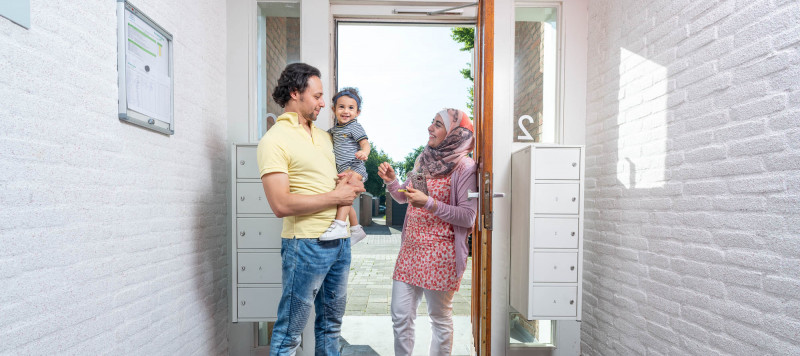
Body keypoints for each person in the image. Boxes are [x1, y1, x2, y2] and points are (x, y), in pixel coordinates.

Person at [257, 62, 365, 355]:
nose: (323, 103)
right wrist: (338, 196)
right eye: (317, 96)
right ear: (295, 93)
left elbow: (349, 171)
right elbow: (280, 205)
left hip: (340, 243)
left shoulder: (326, 136)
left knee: (331, 326)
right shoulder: (274, 140)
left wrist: (354, 182)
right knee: (290, 332)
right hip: (305, 246)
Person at [377, 108, 478, 355]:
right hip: (410, 252)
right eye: (431, 122)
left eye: (438, 124)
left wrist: (429, 203)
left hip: (441, 255)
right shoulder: (424, 159)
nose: (430, 128)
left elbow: (468, 216)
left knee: (440, 320)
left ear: (455, 133)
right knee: (400, 317)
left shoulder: (465, 167)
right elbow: (405, 197)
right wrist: (392, 181)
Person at [319, 87, 370, 244]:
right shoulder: (334, 131)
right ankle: (356, 229)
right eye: (341, 107)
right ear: (334, 109)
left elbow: (366, 143)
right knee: (345, 201)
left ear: (357, 112)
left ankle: (340, 224)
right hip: (344, 170)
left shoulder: (354, 126)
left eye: (351, 108)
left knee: (342, 196)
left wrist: (364, 152)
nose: (346, 111)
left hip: (355, 167)